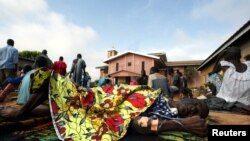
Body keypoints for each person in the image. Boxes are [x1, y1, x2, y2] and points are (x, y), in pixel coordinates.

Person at [0, 68, 208, 140]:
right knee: (52, 85)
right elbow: (125, 92)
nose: (192, 108)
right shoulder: (159, 95)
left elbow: (137, 124)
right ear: (189, 98)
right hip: (99, 97)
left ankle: (14, 113)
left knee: (57, 100)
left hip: (102, 112)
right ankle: (14, 113)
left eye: (197, 111)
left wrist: (180, 124)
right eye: (196, 104)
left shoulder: (168, 115)